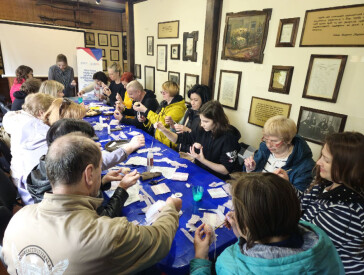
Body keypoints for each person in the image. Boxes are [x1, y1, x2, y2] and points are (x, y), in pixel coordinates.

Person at [2, 133, 182, 274]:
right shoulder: (107, 234)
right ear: (89, 174)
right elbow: (160, 238)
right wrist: (170, 209)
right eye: (99, 170)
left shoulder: (17, 220)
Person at [190, 173, 344, 274]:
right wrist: (242, 235)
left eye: (237, 210)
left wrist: (201, 257)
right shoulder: (321, 240)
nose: (233, 214)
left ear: (250, 223)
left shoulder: (230, 266)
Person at [27, 118, 145, 208]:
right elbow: (102, 217)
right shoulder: (66, 180)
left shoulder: (49, 164)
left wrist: (103, 181)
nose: (96, 145)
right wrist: (122, 188)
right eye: (86, 142)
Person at [300, 132, 364, 274]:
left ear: (349, 168)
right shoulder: (325, 183)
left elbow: (306, 244)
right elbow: (300, 205)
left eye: (326, 160)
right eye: (321, 155)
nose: (318, 162)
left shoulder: (347, 212)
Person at [155, 100, 240, 179]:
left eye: (206, 121)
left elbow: (225, 170)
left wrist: (203, 160)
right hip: (201, 171)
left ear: (217, 121)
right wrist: (163, 130)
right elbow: (178, 139)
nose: (202, 124)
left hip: (217, 178)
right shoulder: (201, 128)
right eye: (201, 120)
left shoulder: (229, 138)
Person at [3, 93, 55, 204]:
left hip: (20, 176)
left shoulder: (21, 119)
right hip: (32, 192)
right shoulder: (36, 131)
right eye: (51, 113)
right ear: (41, 113)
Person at [244, 115, 315, 192]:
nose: (269, 145)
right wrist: (250, 170)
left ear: (288, 140)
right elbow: (249, 180)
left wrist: (286, 185)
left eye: (274, 141)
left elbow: (301, 199)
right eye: (266, 139)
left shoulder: (305, 166)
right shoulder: (264, 149)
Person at [134, 81, 187, 148]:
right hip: (159, 140)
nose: (162, 94)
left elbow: (163, 122)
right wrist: (146, 120)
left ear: (172, 93)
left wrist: (145, 110)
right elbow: (156, 121)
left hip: (169, 144)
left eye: (165, 92)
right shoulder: (164, 104)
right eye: (162, 92)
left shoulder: (178, 108)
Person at [165, 84, 211, 152]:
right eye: (191, 99)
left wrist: (188, 130)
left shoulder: (208, 117)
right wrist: (172, 124)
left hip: (196, 154)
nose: (192, 103)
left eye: (195, 100)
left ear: (203, 100)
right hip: (183, 149)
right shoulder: (189, 111)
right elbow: (178, 131)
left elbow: (204, 141)